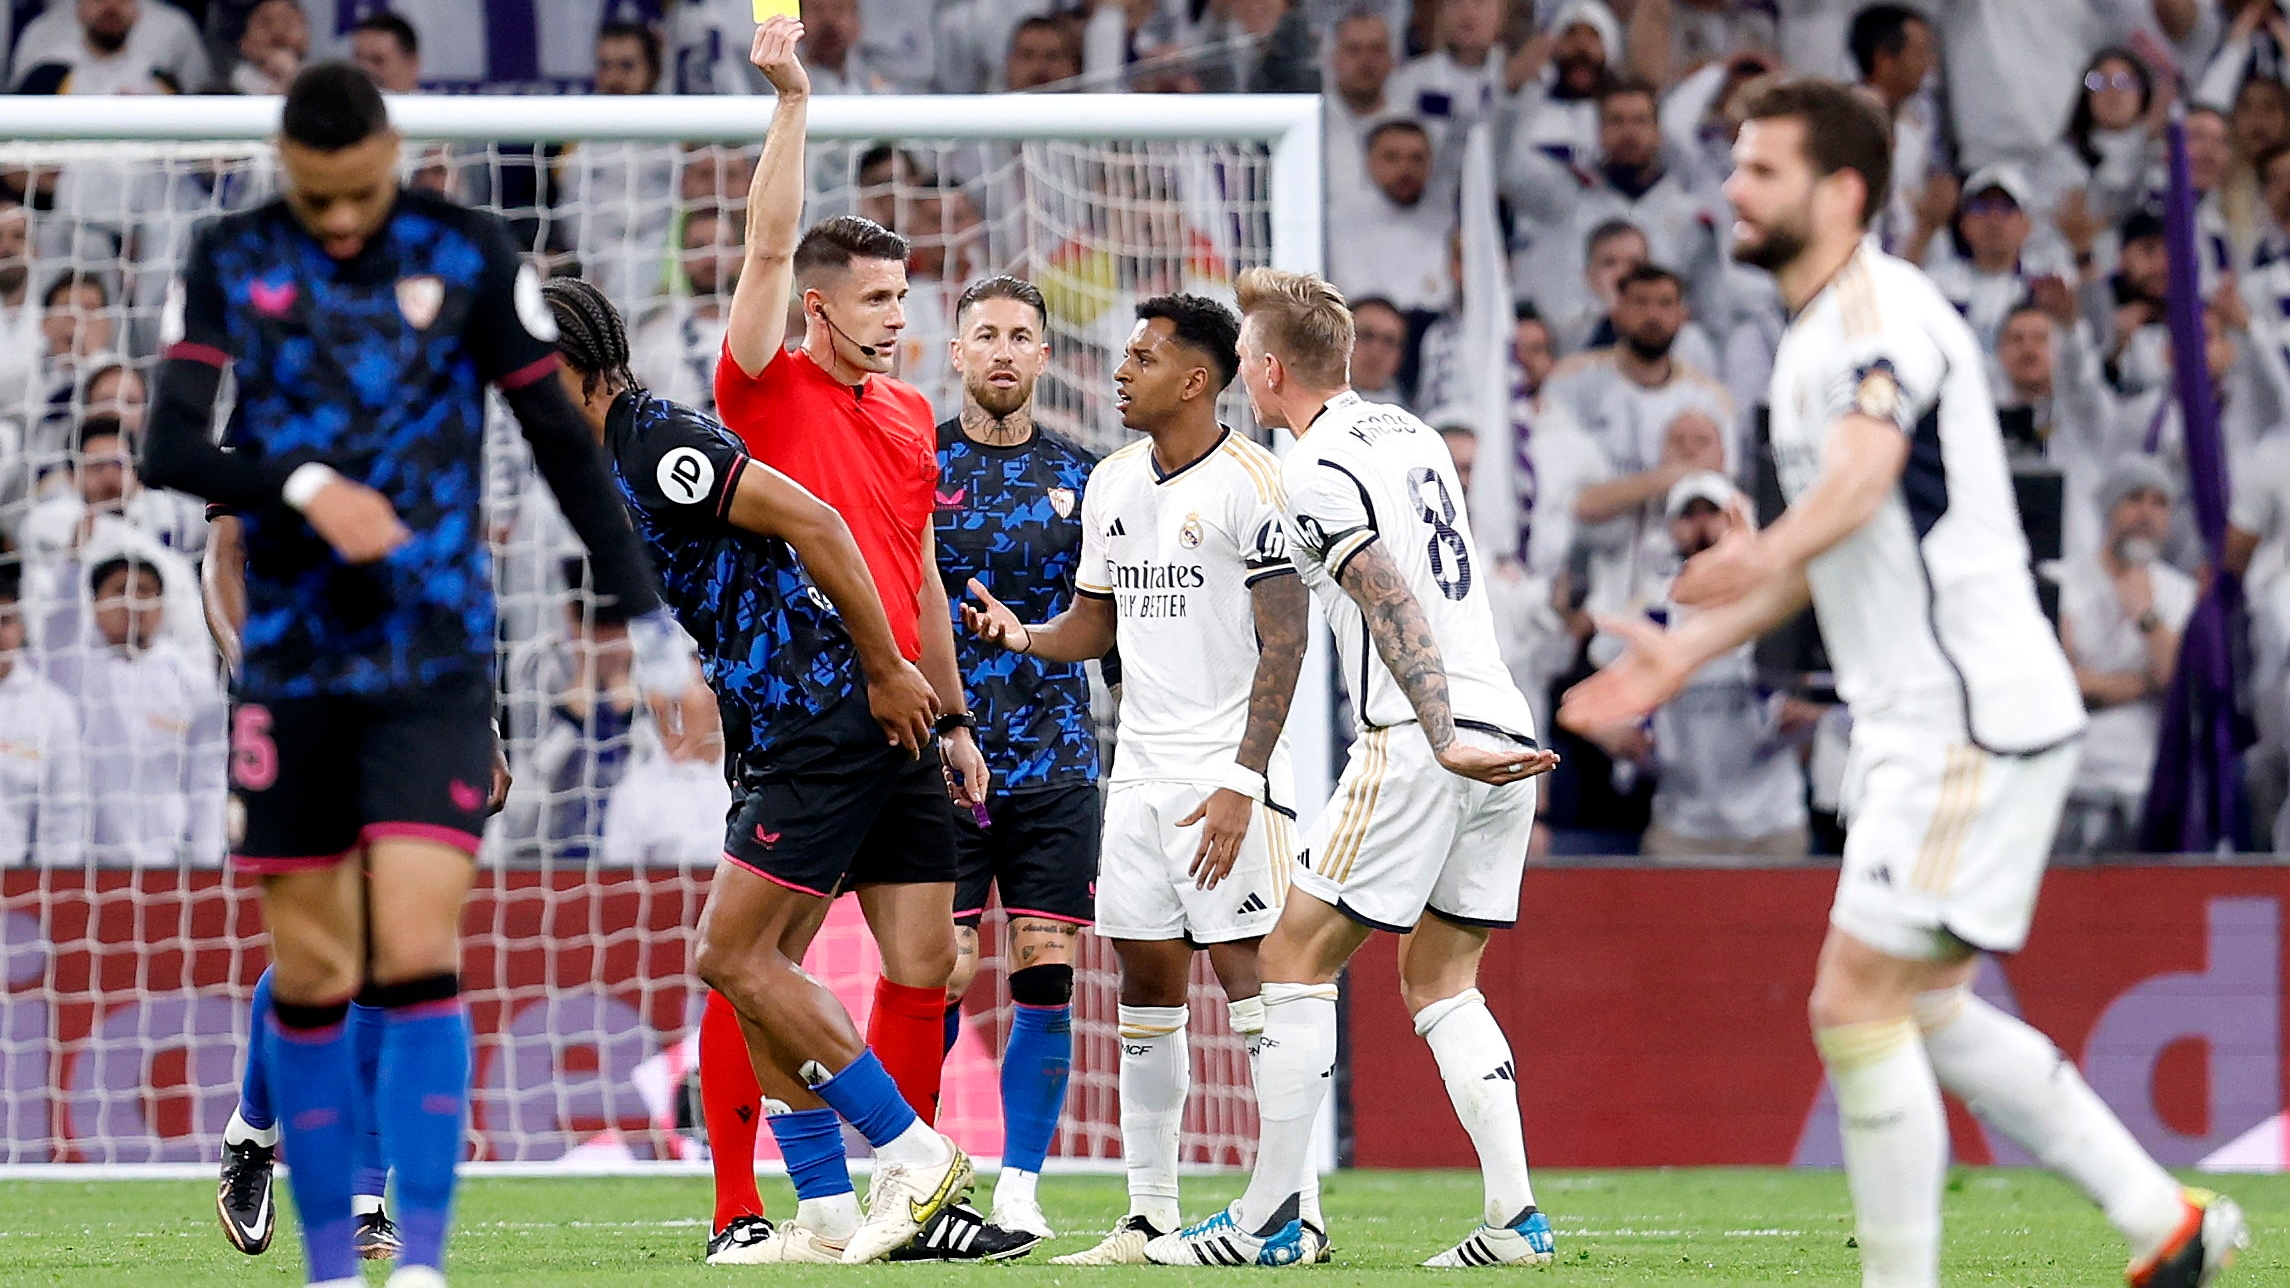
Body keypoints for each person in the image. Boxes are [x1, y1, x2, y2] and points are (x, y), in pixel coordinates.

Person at [1559, 78, 2247, 1288]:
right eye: (1733, 164)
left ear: (1839, 191)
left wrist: (1757, 552)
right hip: (1925, 719)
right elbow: (1833, 543)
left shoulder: (1882, 314)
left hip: (1961, 717)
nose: (1729, 186)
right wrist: (1681, 648)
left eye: (1760, 168)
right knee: (1919, 1005)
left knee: (1850, 1001)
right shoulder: (1808, 335)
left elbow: (1861, 478)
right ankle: (2164, 1221)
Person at [138, 63, 696, 1288]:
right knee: (320, 961)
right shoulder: (229, 254)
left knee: (415, 947)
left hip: (436, 661)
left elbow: (560, 440)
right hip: (292, 662)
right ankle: (322, 1244)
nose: (340, 223)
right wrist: (299, 485)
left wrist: (651, 628)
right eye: (317, 198)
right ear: (288, 171)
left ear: (393, 159)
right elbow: (167, 445)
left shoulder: (473, 251)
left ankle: (414, 1260)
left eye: (360, 196)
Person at [536, 273, 995, 1263]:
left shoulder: (660, 441)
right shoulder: (612, 456)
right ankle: (829, 1213)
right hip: (812, 716)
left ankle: (912, 1155)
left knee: (729, 955)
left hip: (821, 712)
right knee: (791, 962)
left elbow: (819, 523)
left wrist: (883, 666)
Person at [1145, 269, 1558, 1268]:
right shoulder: (1409, 435)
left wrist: (1437, 728)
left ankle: (1267, 1222)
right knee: (1441, 977)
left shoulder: (1315, 470)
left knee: (1290, 959)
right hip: (1501, 723)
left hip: (1424, 734)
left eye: (1245, 358)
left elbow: (1388, 597)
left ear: (1273, 369)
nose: (1240, 374)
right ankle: (1515, 1222)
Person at [706, 16, 987, 1264]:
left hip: (908, 715)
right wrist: (791, 104)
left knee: (924, 958)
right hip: (811, 706)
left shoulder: (916, 409)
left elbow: (919, 565)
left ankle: (887, 1201)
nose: (897, 318)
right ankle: (837, 1191)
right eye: (876, 300)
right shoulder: (762, 383)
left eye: (905, 298)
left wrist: (959, 711)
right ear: (815, 307)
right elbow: (769, 236)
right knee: (759, 954)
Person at [961, 292, 1311, 1267]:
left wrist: (1247, 777)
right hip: (1139, 774)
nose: (1120, 372)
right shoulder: (1114, 481)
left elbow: (1288, 641)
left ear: (1195, 380)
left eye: (1142, 358)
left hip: (1226, 775)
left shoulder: (1253, 482)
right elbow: (1094, 625)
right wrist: (1023, 636)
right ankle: (1150, 1213)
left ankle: (1291, 1211)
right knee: (1144, 994)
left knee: (1256, 989)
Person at [930, 275, 1100, 1244]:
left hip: (1055, 756)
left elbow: (1106, 621)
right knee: (940, 970)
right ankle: (928, 1167)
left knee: (1044, 965)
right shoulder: (914, 464)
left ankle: (1020, 1185)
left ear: (1042, 356)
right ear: (955, 353)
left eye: (1019, 336)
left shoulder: (1087, 477)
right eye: (984, 334)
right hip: (937, 760)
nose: (1001, 350)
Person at [2056, 457, 2194, 854]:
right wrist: (2148, 681)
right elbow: (2067, 686)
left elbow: (2179, 683)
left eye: (2159, 502)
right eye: (2134, 499)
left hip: (2147, 785)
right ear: (2109, 508)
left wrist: (2145, 616)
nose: (2146, 514)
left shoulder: (2178, 593)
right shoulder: (2063, 582)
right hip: (2074, 782)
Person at [0, 561, 85, 869]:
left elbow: (64, 813)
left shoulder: (52, 708)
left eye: (4, 621)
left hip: (17, 885)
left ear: (21, 627)